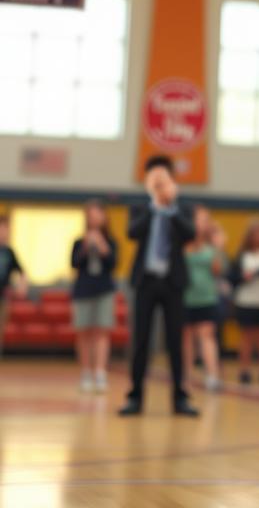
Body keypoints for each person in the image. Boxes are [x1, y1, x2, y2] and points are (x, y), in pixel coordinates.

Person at [119, 154, 199, 417]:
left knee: (176, 341)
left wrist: (170, 207)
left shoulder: (183, 207)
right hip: (146, 281)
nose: (159, 182)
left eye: (163, 177)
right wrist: (155, 205)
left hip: (173, 282)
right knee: (140, 340)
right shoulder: (140, 207)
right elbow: (132, 233)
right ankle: (135, 397)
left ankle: (180, 398)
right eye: (154, 178)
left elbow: (190, 234)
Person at [70, 200, 118, 393]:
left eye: (98, 213)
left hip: (104, 290)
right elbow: (73, 263)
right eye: (91, 214)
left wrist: (102, 246)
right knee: (83, 332)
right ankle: (86, 372)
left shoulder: (111, 241)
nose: (95, 218)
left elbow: (114, 263)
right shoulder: (78, 242)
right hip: (83, 290)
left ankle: (100, 372)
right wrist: (85, 247)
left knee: (102, 331)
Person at [230, 219, 259, 385]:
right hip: (246, 300)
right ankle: (244, 370)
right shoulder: (243, 255)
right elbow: (233, 277)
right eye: (256, 234)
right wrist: (244, 276)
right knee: (247, 337)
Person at [182, 207, 223, 392]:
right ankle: (186, 375)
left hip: (206, 297)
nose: (203, 223)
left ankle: (212, 376)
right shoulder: (182, 244)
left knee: (207, 335)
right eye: (200, 219)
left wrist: (218, 249)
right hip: (185, 297)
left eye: (206, 220)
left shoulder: (211, 247)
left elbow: (217, 271)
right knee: (187, 337)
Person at [0, 215, 29, 358]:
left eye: (5, 230)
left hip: (3, 297)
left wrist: (21, 287)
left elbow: (22, 271)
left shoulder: (9, 252)